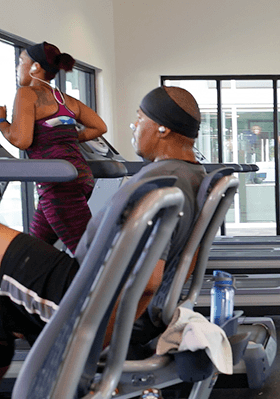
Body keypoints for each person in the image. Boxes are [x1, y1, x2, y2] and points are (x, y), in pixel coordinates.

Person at [0, 86, 206, 378]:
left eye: (139, 118)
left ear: (162, 128)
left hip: (79, 294)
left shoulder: (162, 184)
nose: (134, 126)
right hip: (86, 281)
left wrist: (92, 342)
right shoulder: (189, 175)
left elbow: (148, 282)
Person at [0, 42, 107, 253]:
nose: (17, 67)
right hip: (78, 177)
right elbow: (99, 126)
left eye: (21, 61)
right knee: (32, 250)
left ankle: (120, 286)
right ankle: (36, 284)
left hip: (59, 185)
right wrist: (66, 139)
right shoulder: (65, 99)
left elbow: (22, 140)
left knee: (91, 258)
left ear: (35, 67)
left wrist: (2, 122)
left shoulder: (27, 94)